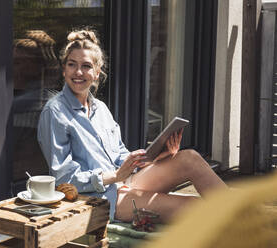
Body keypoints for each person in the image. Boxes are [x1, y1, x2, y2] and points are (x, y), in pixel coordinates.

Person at [37, 29, 228, 223]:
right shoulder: (55, 112)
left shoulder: (100, 109)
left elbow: (120, 154)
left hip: (123, 183)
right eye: (72, 65)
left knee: (190, 158)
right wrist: (115, 176)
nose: (78, 72)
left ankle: (248, 217)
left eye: (86, 66)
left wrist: (152, 158)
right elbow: (63, 180)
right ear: (63, 70)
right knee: (194, 207)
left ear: (96, 73)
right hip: (99, 198)